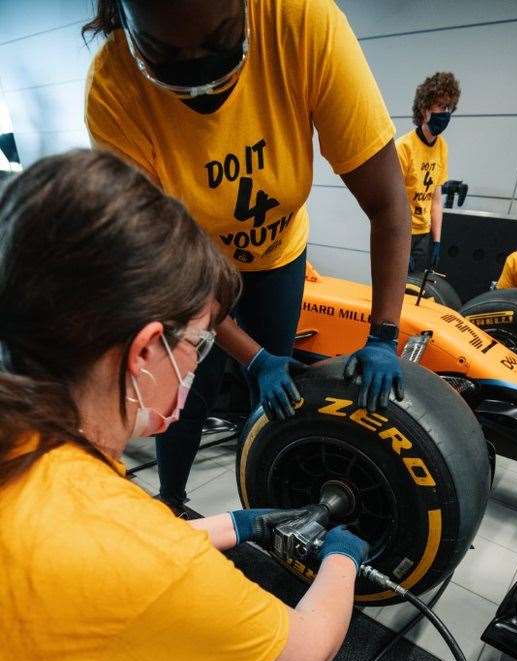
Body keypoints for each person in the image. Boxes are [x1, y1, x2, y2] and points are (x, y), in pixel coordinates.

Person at [0, 149, 369, 661]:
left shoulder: (34, 455)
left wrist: (229, 526)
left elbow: (102, 565)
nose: (199, 368)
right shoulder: (118, 536)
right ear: (143, 353)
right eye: (198, 347)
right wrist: (341, 561)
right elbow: (301, 650)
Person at [83, 0, 410, 516]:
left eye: (217, 43)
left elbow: (389, 204)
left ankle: (261, 494)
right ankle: (171, 502)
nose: (197, 69)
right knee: (187, 392)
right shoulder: (114, 89)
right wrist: (250, 356)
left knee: (270, 394)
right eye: (166, 51)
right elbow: (167, 270)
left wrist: (385, 335)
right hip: (195, 271)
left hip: (278, 256)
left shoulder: (302, 23)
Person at [395, 71, 461, 276]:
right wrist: (400, 240)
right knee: (396, 289)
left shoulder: (442, 147)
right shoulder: (403, 147)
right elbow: (393, 200)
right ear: (424, 109)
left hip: (423, 233)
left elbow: (435, 199)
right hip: (401, 232)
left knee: (416, 290)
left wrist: (437, 241)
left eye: (449, 107)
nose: (446, 112)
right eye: (441, 106)